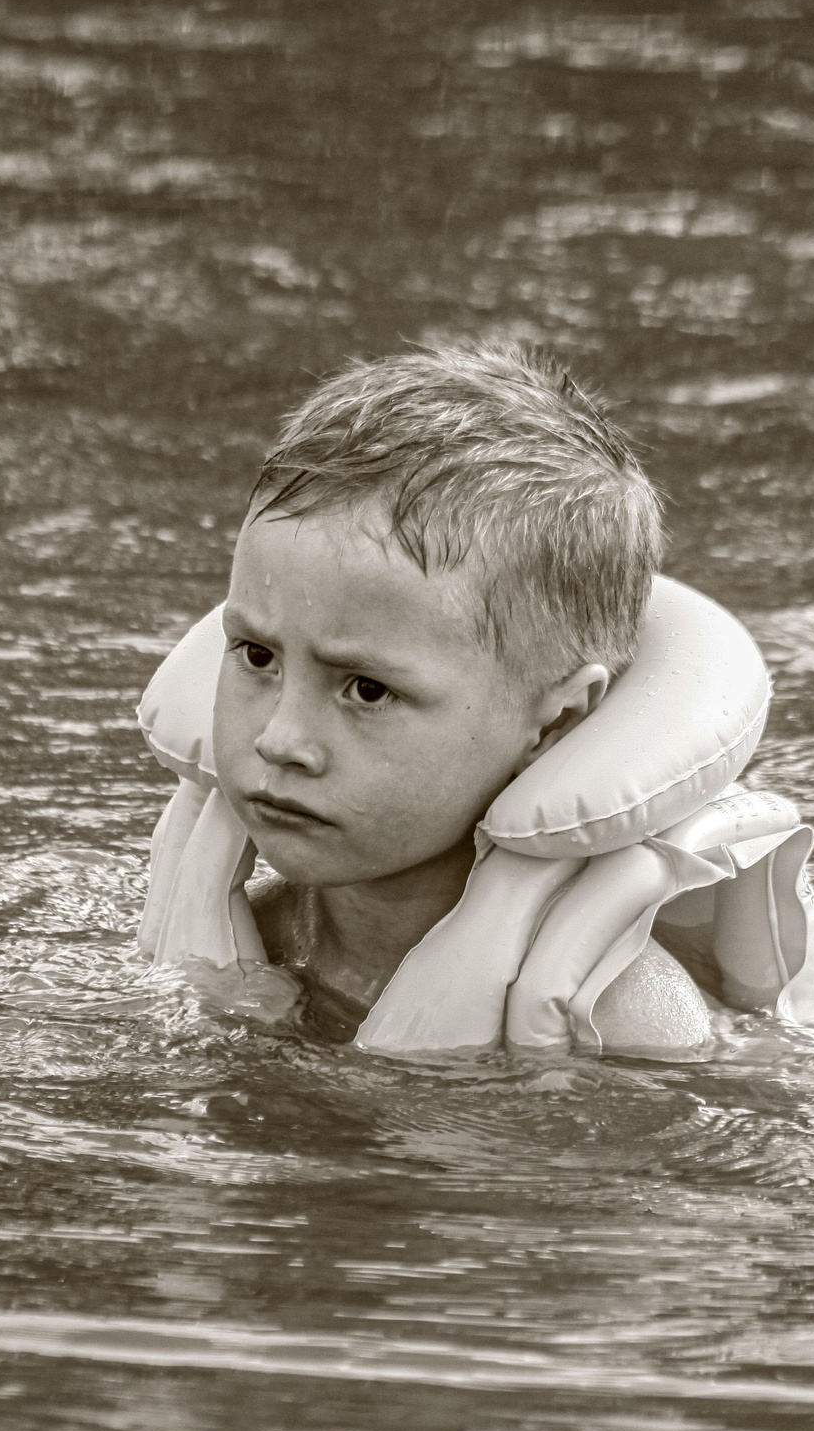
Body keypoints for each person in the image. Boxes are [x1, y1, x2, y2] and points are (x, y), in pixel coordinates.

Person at [211, 343, 714, 1044]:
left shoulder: (619, 1022)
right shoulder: (240, 938)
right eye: (257, 655)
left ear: (555, 722)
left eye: (366, 689)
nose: (278, 739)